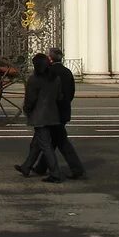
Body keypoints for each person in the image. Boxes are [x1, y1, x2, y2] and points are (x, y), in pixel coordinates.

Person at [31, 47, 85, 179]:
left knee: (58, 142)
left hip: (51, 113)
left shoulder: (49, 72)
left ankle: (74, 169)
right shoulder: (67, 72)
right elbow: (71, 92)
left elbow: (44, 92)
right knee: (54, 140)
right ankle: (39, 167)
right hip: (63, 111)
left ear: (50, 58)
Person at [16, 53, 64, 183]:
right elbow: (60, 97)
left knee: (45, 146)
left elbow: (30, 99)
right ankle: (26, 167)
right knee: (36, 144)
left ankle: (55, 174)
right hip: (53, 115)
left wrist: (27, 110)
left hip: (40, 116)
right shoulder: (56, 78)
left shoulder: (34, 79)